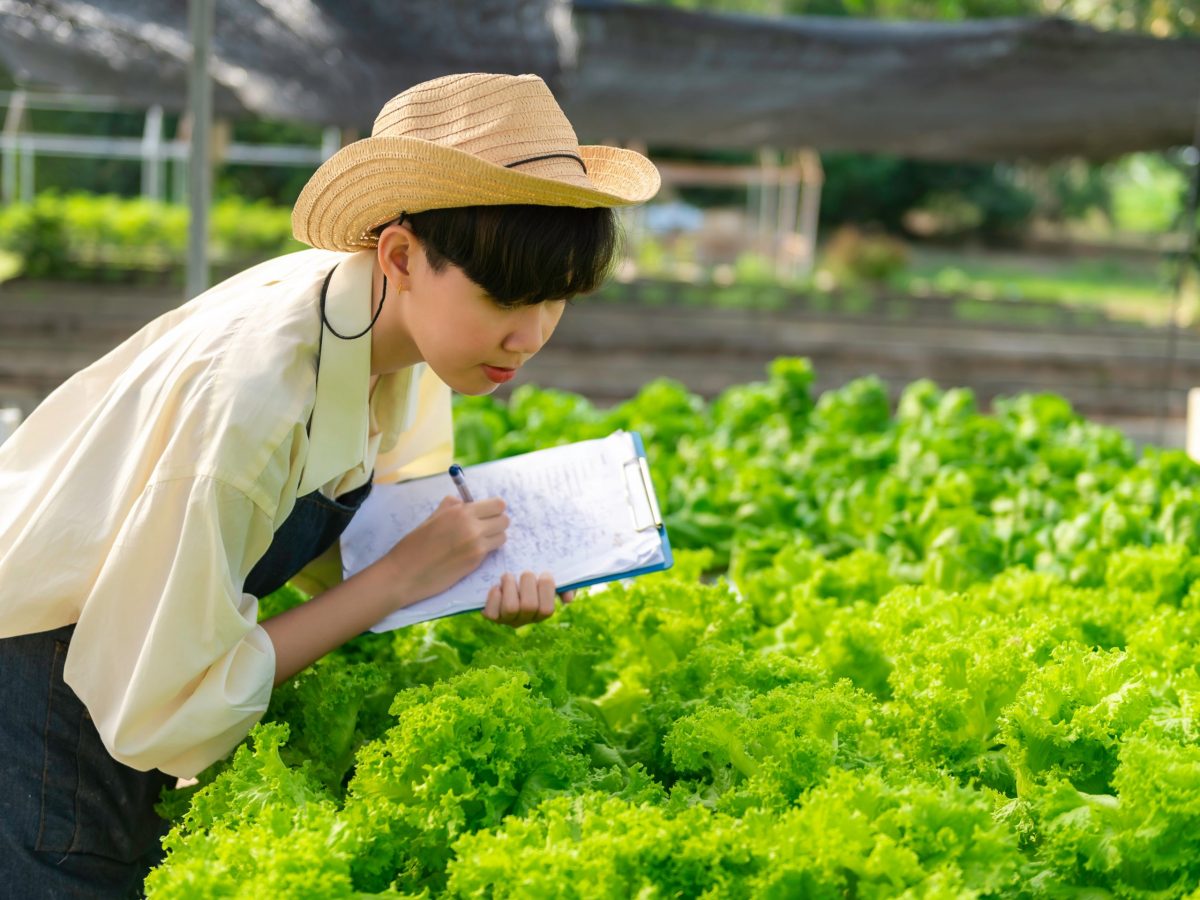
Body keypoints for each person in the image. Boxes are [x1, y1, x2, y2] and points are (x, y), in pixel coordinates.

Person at [0, 72, 660, 896]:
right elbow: (166, 697)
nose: (530, 337)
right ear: (401, 254)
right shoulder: (253, 408)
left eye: (557, 302)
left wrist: (483, 575)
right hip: (45, 683)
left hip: (114, 666)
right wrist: (394, 583)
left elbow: (377, 529)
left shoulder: (382, 325)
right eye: (503, 298)